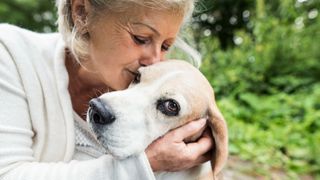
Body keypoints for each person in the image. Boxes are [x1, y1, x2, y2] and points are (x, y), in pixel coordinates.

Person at [0, 0, 215, 179]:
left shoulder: (159, 113)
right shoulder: (10, 53)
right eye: (141, 38)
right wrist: (144, 165)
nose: (155, 61)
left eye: (166, 46)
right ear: (82, 13)